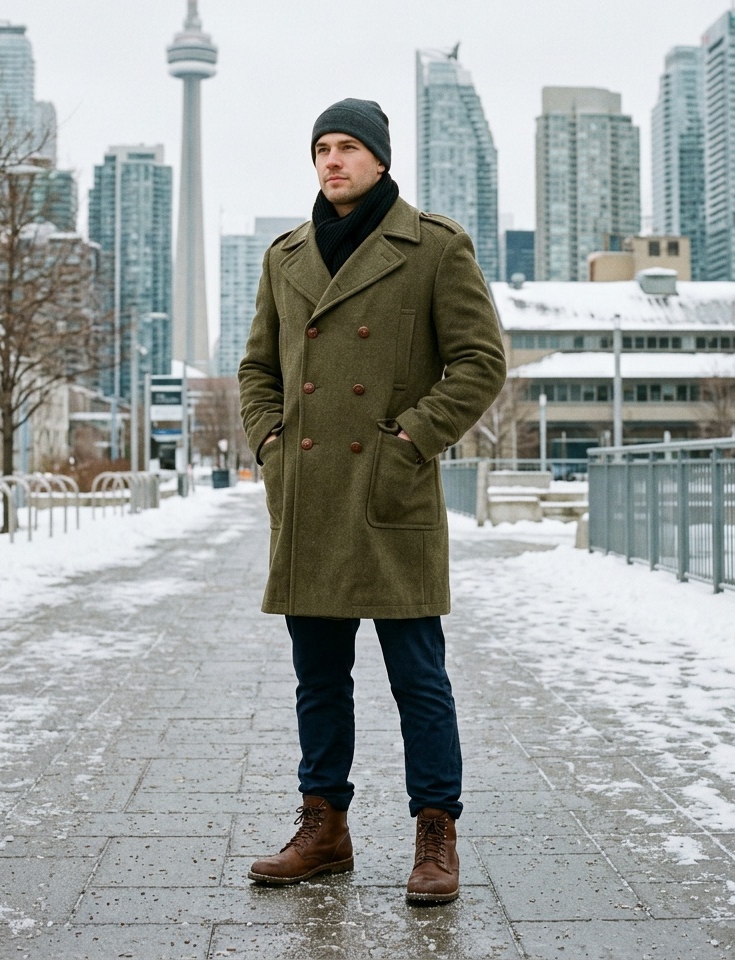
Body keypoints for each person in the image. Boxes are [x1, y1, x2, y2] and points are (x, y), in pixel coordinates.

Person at [237, 97, 506, 903]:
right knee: (318, 678)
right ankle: (324, 824)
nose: (332, 160)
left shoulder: (434, 246)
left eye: (348, 146)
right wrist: (272, 445)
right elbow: (257, 369)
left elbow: (479, 361)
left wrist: (409, 442)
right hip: (312, 494)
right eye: (321, 147)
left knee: (417, 677)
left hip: (388, 494)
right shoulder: (285, 255)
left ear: (381, 159)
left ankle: (436, 832)